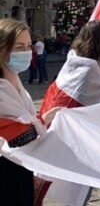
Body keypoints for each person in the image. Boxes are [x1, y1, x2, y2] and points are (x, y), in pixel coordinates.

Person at [38, 20, 100, 205]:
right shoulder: (91, 69)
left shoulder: (73, 60)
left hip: (56, 131)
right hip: (75, 140)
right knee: (76, 187)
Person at [0, 19, 56, 205]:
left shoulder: (15, 81)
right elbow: (14, 133)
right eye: (19, 47)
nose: (26, 52)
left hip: (20, 171)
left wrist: (43, 119)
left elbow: (23, 122)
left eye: (28, 46)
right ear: (2, 50)